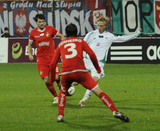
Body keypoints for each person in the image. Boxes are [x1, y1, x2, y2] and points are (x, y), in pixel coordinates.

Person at [49, 23, 129, 122]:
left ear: (65, 33)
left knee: (63, 92)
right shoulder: (80, 41)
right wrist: (98, 69)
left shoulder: (61, 44)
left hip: (66, 73)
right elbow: (91, 54)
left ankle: (60, 115)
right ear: (77, 32)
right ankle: (115, 111)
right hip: (81, 73)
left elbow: (53, 64)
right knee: (99, 92)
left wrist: (52, 79)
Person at [77, 16, 142, 106]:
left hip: (99, 63)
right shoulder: (91, 34)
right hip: (87, 60)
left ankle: (83, 100)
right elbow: (81, 45)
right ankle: (63, 93)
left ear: (106, 26)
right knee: (74, 81)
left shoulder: (110, 36)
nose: (99, 28)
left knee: (94, 80)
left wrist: (136, 33)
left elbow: (123, 38)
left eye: (102, 26)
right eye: (98, 25)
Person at [28, 14, 65, 104]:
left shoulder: (51, 29)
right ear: (36, 22)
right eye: (39, 22)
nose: (41, 23)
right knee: (46, 80)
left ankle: (59, 84)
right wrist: (30, 54)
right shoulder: (33, 32)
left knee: (57, 78)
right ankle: (56, 97)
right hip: (41, 59)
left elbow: (61, 36)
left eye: (43, 21)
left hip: (52, 58)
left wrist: (63, 46)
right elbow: (30, 45)